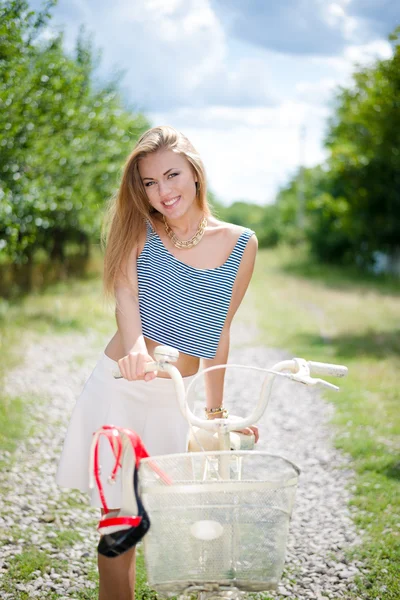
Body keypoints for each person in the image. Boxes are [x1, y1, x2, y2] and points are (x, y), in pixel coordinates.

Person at [56, 125, 259, 600]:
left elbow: (221, 329)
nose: (162, 192)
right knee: (121, 523)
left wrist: (215, 413)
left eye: (171, 176)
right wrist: (134, 350)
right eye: (149, 182)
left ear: (195, 173)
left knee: (178, 517)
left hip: (173, 393)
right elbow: (125, 297)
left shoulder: (241, 242)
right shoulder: (138, 227)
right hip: (122, 386)